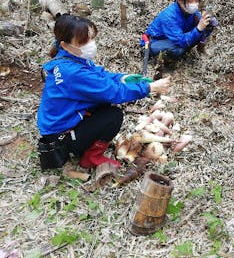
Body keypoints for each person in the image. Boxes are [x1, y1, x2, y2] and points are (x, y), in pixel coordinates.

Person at [37, 15, 170, 170]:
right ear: (65, 45)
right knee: (113, 116)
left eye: (91, 38)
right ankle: (90, 157)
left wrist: (123, 78)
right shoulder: (72, 72)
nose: (90, 44)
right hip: (61, 137)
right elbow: (112, 92)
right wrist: (149, 88)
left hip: (60, 124)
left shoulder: (68, 58)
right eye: (83, 41)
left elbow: (98, 77)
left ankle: (86, 142)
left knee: (103, 103)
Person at [140, 0, 217, 67]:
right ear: (180, 0)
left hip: (175, 38)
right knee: (179, 48)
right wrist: (198, 28)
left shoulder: (191, 11)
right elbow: (182, 41)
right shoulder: (169, 16)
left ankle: (200, 48)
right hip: (154, 43)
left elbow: (201, 25)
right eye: (190, 1)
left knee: (206, 25)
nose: (194, 5)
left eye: (196, 1)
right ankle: (164, 63)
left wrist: (207, 23)